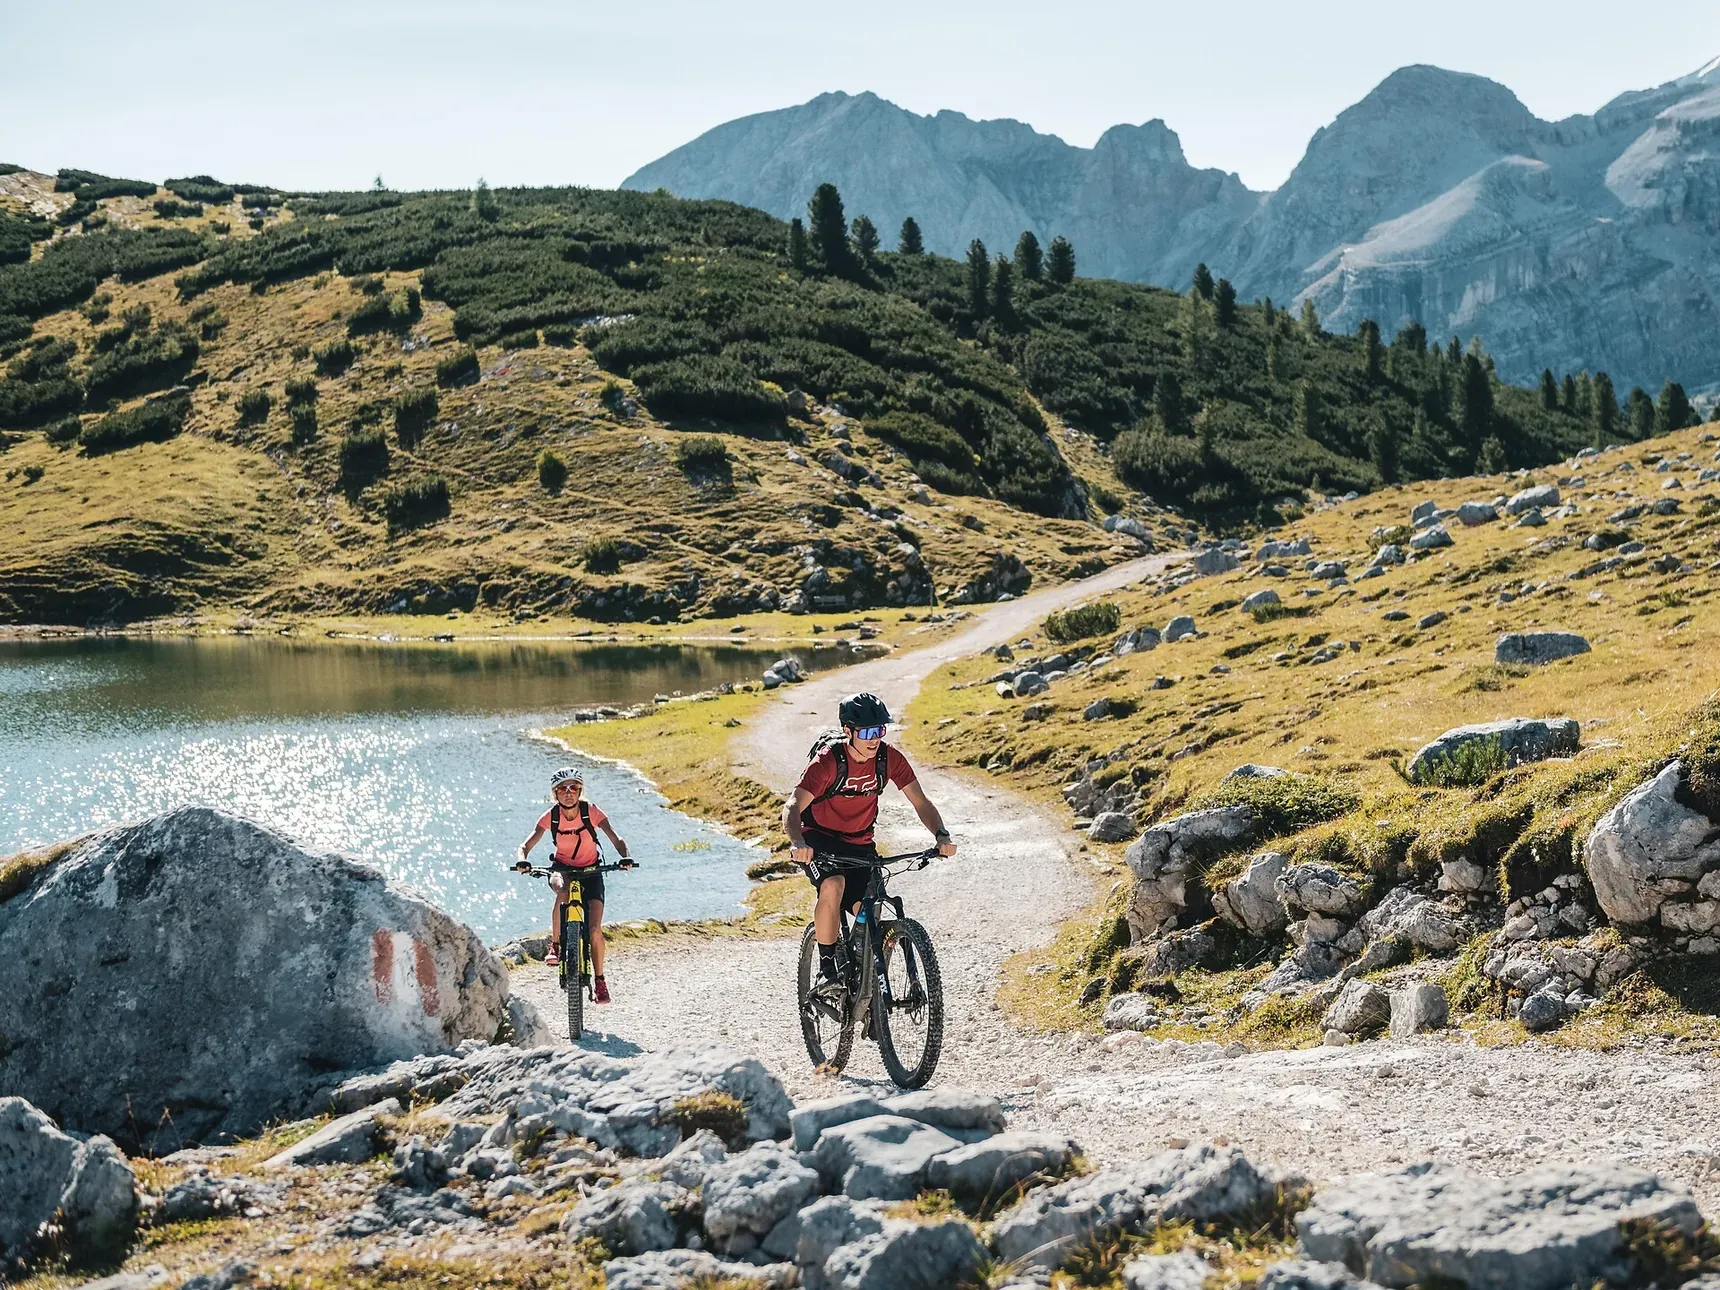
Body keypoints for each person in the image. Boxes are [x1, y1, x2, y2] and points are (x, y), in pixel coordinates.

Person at [783, 692, 957, 991]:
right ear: (848, 731)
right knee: (833, 884)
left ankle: (866, 988)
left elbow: (920, 801)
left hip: (860, 843)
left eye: (879, 730)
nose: (874, 738)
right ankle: (827, 969)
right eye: (865, 732)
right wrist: (798, 842)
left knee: (868, 910)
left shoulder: (889, 759)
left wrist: (941, 835)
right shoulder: (829, 761)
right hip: (819, 840)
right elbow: (792, 806)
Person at [514, 767, 632, 1003]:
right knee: (562, 891)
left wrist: (625, 857)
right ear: (555, 793)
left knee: (595, 929)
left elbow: (616, 838)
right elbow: (525, 846)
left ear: (580, 791)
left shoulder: (591, 812)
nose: (568, 793)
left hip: (591, 871)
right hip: (562, 869)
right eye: (562, 789)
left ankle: (600, 981)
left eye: (574, 788)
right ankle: (556, 946)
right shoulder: (550, 817)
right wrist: (522, 860)